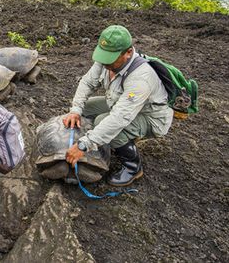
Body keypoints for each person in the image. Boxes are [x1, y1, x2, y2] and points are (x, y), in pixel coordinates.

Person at [64, 25, 173, 186]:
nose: (104, 62)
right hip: (118, 102)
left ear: (128, 52)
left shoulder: (141, 79)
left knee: (103, 121)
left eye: (111, 58)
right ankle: (103, 139)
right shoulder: (105, 61)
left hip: (150, 117)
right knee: (86, 109)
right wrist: (75, 110)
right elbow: (87, 82)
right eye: (103, 55)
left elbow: (119, 118)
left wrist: (84, 145)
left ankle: (133, 168)